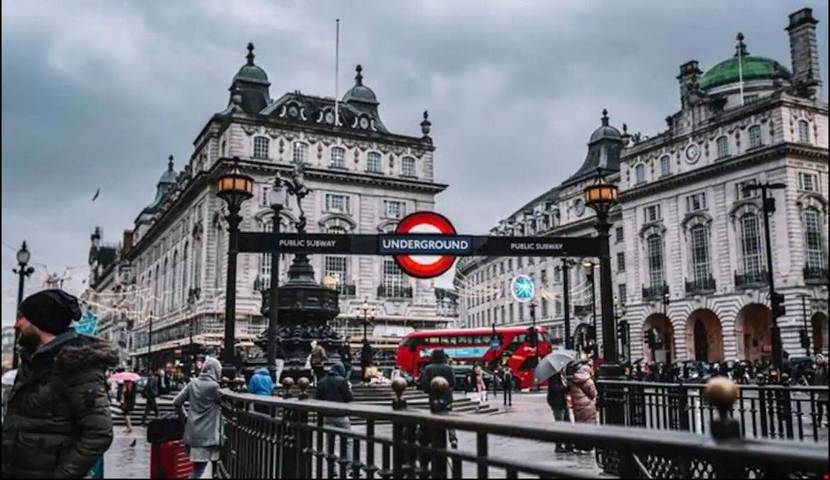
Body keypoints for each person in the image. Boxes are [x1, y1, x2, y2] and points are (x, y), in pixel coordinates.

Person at [2, 289, 118, 478]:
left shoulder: (78, 366)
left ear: (41, 321)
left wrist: (62, 475)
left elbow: (99, 432)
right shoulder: (33, 360)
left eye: (22, 317)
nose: (17, 324)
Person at [174, 356, 223, 479]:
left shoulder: (193, 383)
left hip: (193, 432)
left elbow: (176, 402)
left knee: (198, 469)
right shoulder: (215, 387)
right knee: (203, 471)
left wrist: (184, 416)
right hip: (210, 435)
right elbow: (224, 403)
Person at [315, 362, 354, 462]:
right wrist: (349, 389)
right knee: (348, 440)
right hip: (341, 415)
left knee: (330, 440)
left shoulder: (321, 381)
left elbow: (317, 399)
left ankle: (331, 465)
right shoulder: (342, 381)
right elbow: (349, 398)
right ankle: (348, 463)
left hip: (327, 415)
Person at [419, 349, 458, 448]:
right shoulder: (448, 368)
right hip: (447, 397)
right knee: (448, 417)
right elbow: (453, 383)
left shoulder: (428, 368)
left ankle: (433, 437)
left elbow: (424, 384)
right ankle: (453, 438)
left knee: (435, 416)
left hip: (433, 396)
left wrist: (430, 389)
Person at [568, 361, 598, 453]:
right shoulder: (587, 380)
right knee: (589, 427)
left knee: (580, 426)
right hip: (588, 406)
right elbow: (593, 393)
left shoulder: (573, 379)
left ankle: (579, 446)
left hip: (577, 406)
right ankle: (588, 447)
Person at [547, 371, 572, 452]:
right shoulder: (554, 375)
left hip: (563, 402)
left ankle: (568, 445)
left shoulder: (560, 374)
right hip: (558, 403)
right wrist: (565, 387)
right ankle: (558, 446)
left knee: (567, 423)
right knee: (560, 424)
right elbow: (554, 389)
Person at [813, 354, 828, 427]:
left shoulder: (825, 367)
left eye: (819, 358)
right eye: (816, 359)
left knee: (826, 405)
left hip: (825, 389)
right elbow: (816, 379)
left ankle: (821, 420)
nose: (818, 360)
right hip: (820, 389)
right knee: (819, 405)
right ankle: (819, 420)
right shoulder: (818, 368)